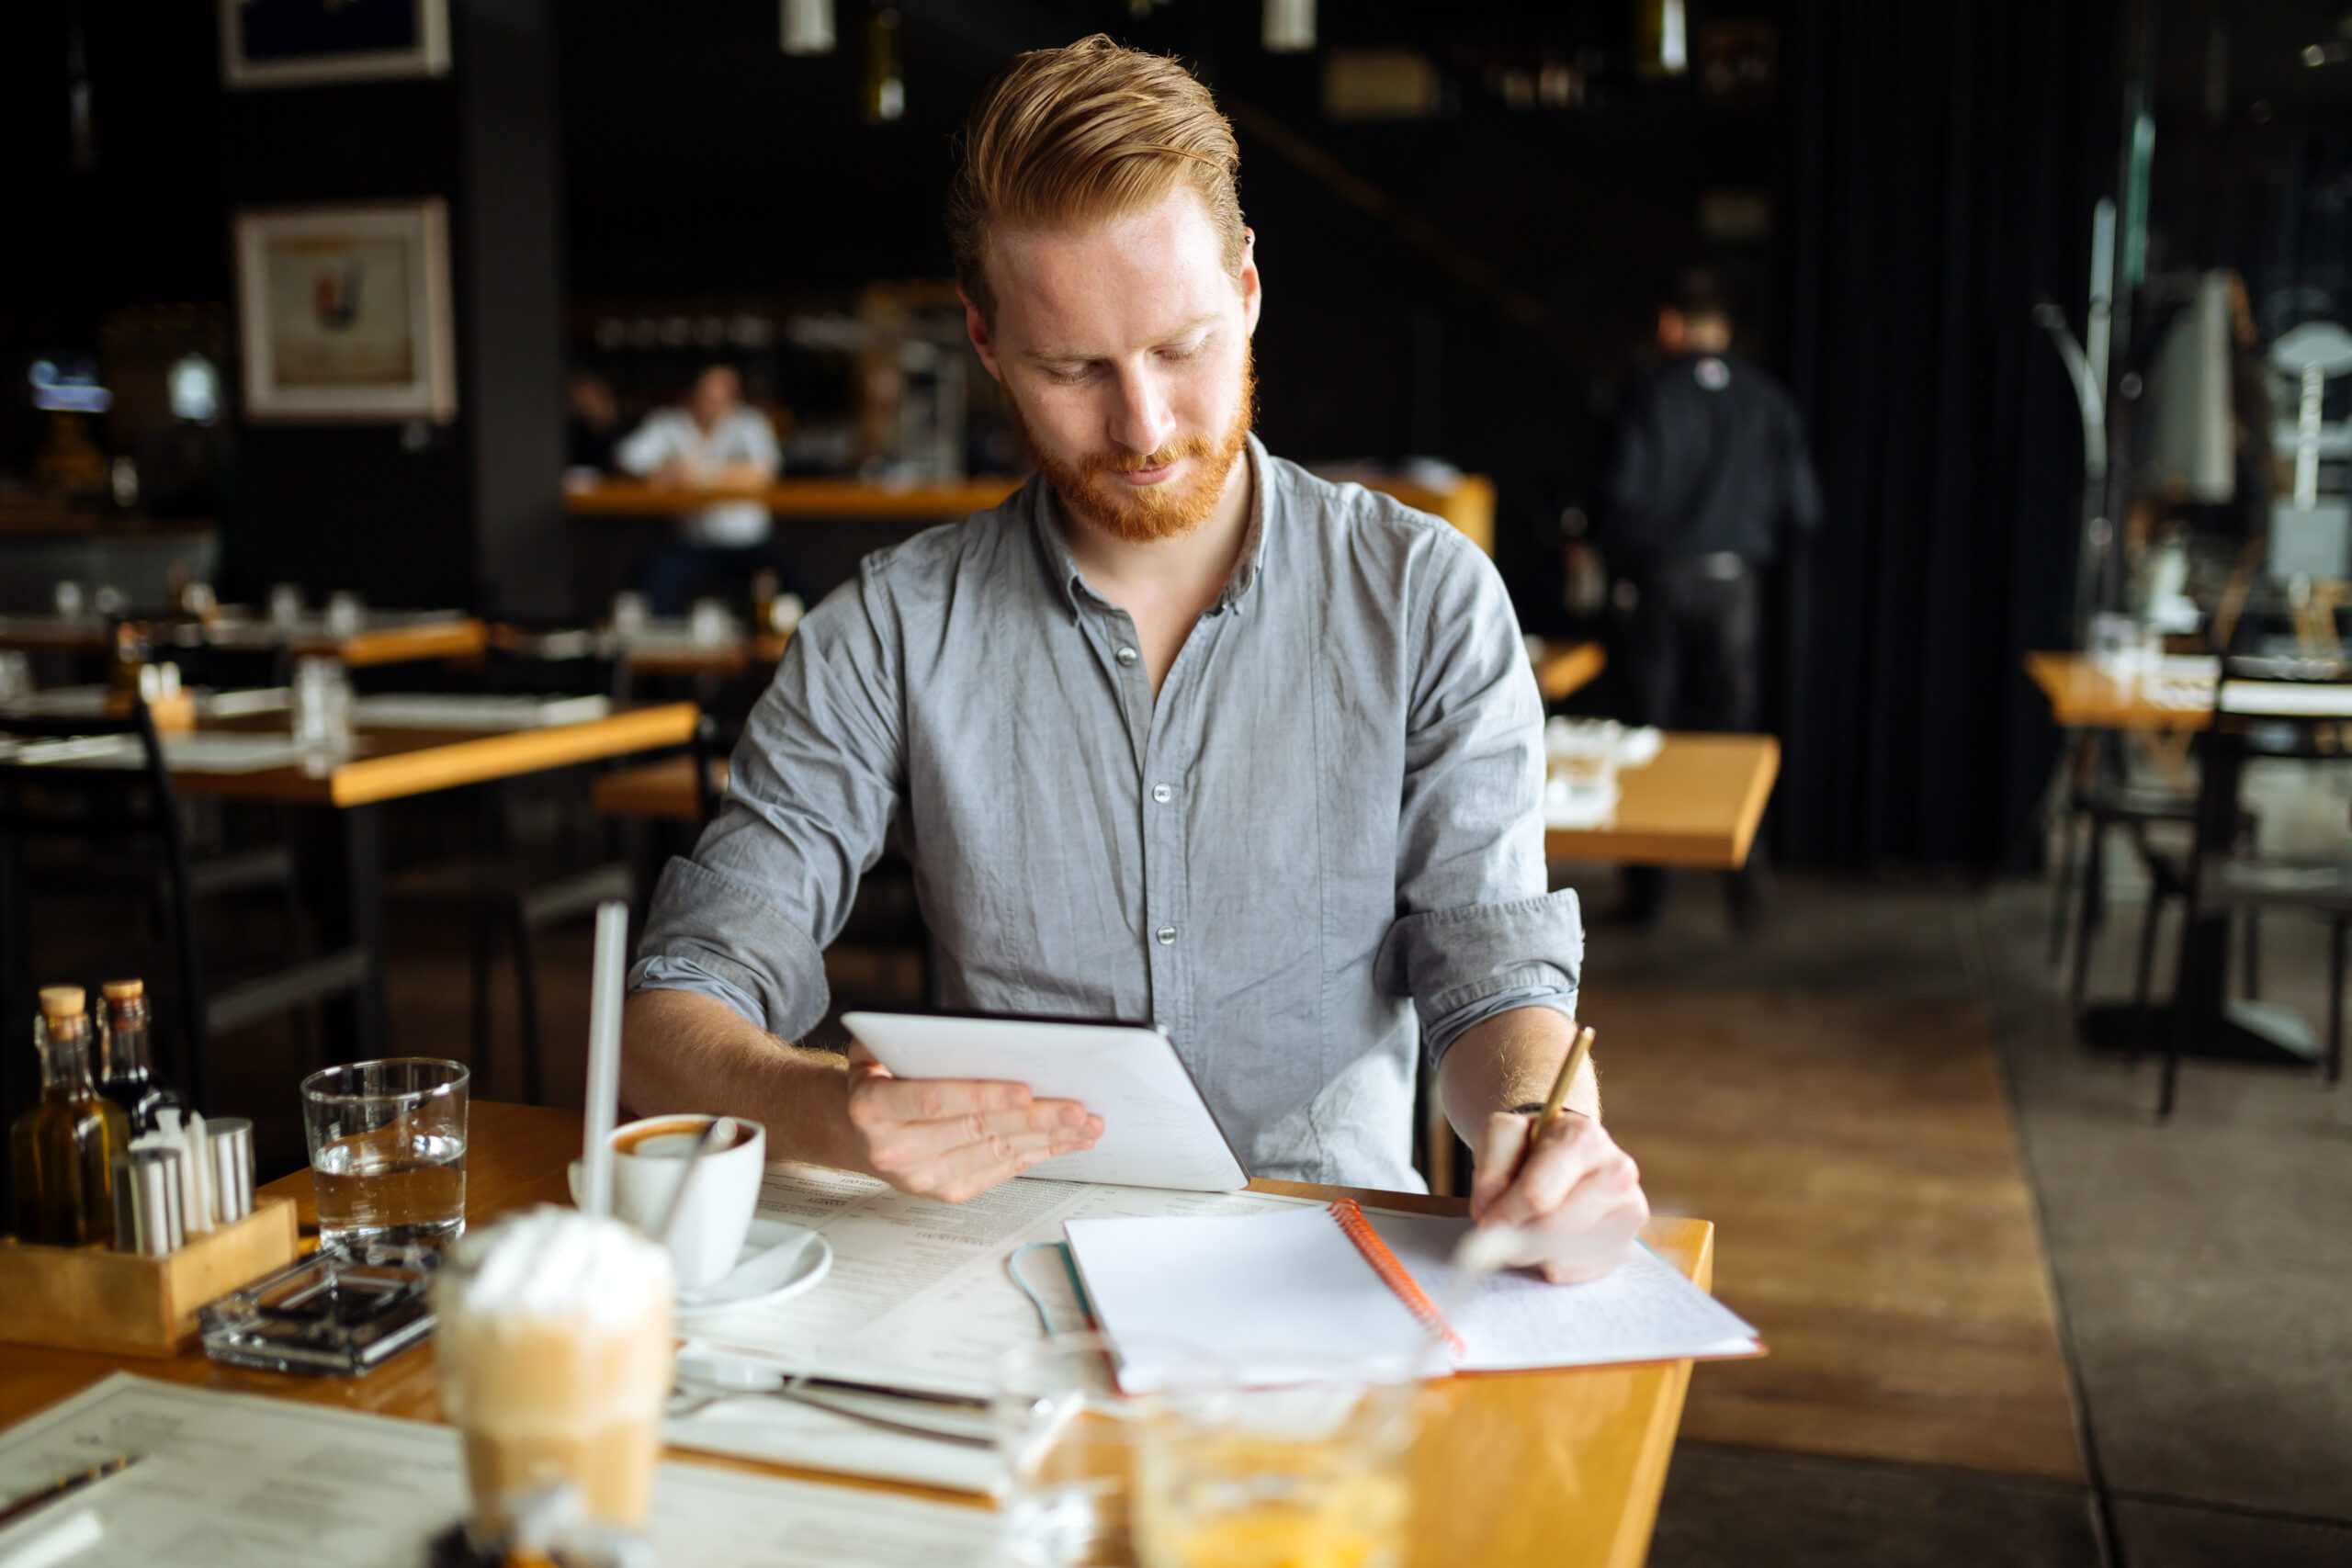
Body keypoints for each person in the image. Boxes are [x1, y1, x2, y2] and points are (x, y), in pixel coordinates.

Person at [622, 37, 1646, 1283]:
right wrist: (825, 1109)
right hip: (1004, 1275)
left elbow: (1487, 981)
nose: (1144, 426)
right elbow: (674, 1008)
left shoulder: (1425, 597)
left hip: (1326, 1269)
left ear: (1249, 289)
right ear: (986, 342)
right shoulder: (886, 631)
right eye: (1072, 369)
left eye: (1180, 346)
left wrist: (1543, 1127)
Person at [1601, 267, 1822, 923]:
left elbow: (1619, 497)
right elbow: (1804, 509)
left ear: (1670, 322)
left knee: (1648, 734)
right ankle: (1746, 881)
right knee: (1733, 737)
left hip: (1661, 583)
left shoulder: (1645, 394)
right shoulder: (1768, 402)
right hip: (1735, 589)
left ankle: (1648, 894)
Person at [615, 365, 788, 615]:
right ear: (693, 395)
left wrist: (700, 474)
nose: (715, 406)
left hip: (749, 544)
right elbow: (627, 460)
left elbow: (765, 473)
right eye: (708, 397)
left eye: (723, 398)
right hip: (693, 543)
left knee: (794, 583)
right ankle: (669, 640)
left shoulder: (749, 422)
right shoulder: (671, 423)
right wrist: (670, 470)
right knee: (650, 574)